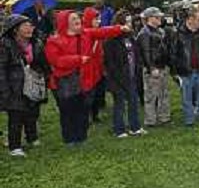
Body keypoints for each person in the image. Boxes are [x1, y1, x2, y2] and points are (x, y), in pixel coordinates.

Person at [45, 10, 128, 146]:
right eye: (73, 19)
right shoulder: (54, 41)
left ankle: (81, 137)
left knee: (83, 109)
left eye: (77, 17)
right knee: (68, 111)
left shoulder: (86, 33)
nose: (77, 20)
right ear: (64, 22)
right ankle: (70, 138)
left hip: (85, 79)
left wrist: (119, 28)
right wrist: (78, 59)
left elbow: (103, 32)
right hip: (66, 81)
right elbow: (56, 60)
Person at [0, 15, 50, 157]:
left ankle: (32, 137)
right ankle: (14, 146)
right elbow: (1, 68)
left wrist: (44, 77)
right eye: (26, 25)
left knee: (32, 112)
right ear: (15, 29)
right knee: (16, 115)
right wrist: (4, 89)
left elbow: (43, 63)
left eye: (31, 25)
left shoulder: (37, 43)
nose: (30, 28)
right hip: (14, 85)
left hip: (32, 83)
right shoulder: (6, 44)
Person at [104, 10, 145, 138]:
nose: (129, 24)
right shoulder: (111, 41)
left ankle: (135, 127)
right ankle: (119, 129)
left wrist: (137, 69)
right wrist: (118, 78)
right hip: (118, 79)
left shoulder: (131, 38)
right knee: (120, 104)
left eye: (130, 22)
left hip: (131, 75)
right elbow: (110, 63)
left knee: (133, 102)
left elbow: (136, 55)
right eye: (126, 22)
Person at [173, 7, 199, 126]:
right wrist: (175, 71)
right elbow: (173, 53)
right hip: (185, 71)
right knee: (187, 97)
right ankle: (189, 120)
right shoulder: (178, 33)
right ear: (190, 19)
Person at [137, 7, 172, 127]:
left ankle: (164, 117)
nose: (160, 19)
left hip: (162, 66)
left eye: (160, 17)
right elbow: (145, 52)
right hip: (153, 68)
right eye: (157, 17)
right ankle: (150, 120)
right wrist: (151, 68)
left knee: (164, 93)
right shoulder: (144, 33)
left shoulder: (160, 31)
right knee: (151, 95)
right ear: (149, 19)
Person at [82, 7, 106, 124]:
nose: (98, 22)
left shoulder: (99, 33)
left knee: (97, 93)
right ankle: (86, 116)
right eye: (96, 19)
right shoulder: (84, 34)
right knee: (88, 95)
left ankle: (95, 114)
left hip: (98, 68)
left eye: (99, 19)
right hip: (88, 69)